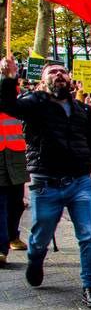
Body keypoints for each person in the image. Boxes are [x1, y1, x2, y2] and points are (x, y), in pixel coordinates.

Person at [0, 58, 91, 308]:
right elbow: (7, 106)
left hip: (80, 182)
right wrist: (8, 78)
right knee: (41, 235)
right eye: (53, 72)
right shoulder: (33, 104)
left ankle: (90, 287)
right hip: (46, 183)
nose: (59, 75)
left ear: (70, 79)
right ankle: (35, 258)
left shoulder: (84, 109)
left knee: (88, 235)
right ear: (43, 80)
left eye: (63, 71)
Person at [0, 104, 29, 258]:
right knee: (1, 205)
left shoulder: (17, 106)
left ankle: (12, 236)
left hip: (16, 160)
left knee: (16, 204)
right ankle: (1, 248)